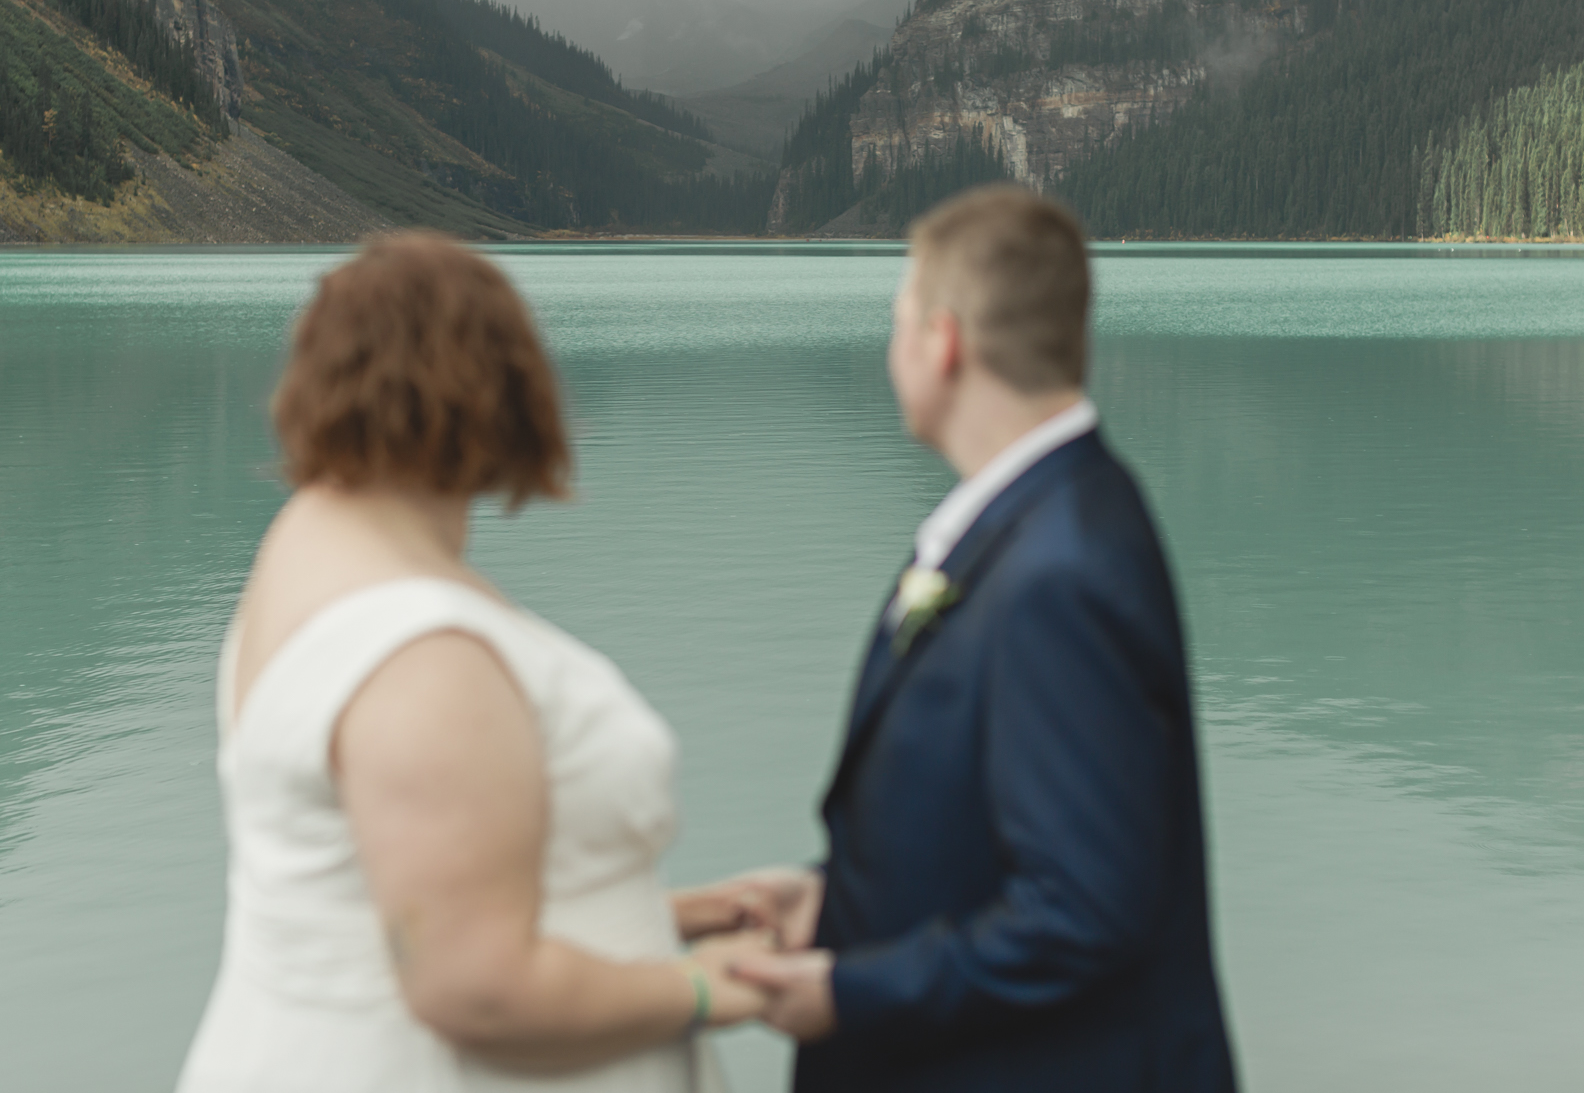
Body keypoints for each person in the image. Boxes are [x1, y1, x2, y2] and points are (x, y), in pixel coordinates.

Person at [176, 233, 773, 1093]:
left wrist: (673, 915)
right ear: (503, 385)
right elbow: (475, 988)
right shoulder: (423, 655)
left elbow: (390, 907)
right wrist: (709, 989)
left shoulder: (306, 545)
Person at [722, 186, 1239, 1091]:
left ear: (944, 341)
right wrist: (837, 905)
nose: (892, 348)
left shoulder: (1056, 573)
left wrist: (854, 993)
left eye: (899, 320)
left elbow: (1082, 912)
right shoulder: (1052, 516)